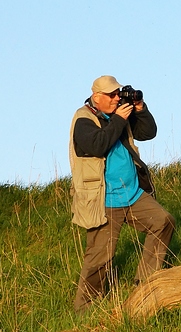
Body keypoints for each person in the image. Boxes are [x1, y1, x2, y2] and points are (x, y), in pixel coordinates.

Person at [69, 75, 175, 312]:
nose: (117, 98)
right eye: (112, 95)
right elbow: (97, 145)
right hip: (104, 200)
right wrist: (118, 119)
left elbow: (148, 133)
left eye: (119, 94)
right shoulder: (83, 119)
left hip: (132, 194)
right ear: (97, 97)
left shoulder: (120, 115)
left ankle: (145, 283)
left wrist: (140, 109)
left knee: (163, 222)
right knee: (100, 258)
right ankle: (85, 309)